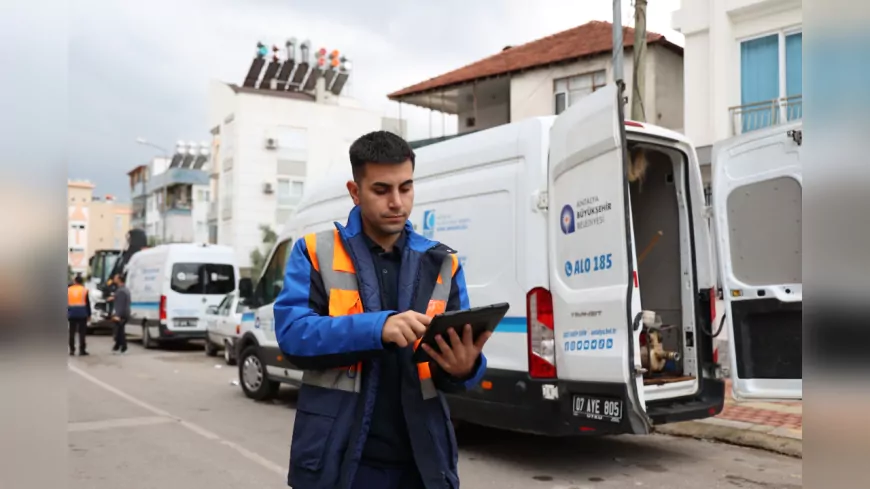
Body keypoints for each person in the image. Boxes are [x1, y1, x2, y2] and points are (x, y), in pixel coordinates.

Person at [274, 131, 491, 489]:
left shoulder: (442, 263)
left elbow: (460, 359)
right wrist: (379, 328)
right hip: (341, 461)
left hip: (422, 464)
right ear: (355, 191)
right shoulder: (313, 252)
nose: (397, 202)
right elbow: (293, 336)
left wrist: (465, 368)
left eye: (406, 188)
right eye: (381, 190)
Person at [67, 274, 91, 356]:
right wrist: (89, 314)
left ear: (75, 281)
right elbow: (88, 303)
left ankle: (72, 350)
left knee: (71, 332)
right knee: (82, 333)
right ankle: (82, 350)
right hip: (82, 313)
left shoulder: (68, 290)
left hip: (71, 313)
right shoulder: (84, 290)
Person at [110, 273, 131, 354]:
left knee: (120, 331)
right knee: (119, 330)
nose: (114, 279)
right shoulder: (124, 289)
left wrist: (117, 315)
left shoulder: (121, 291)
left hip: (121, 314)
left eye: (115, 277)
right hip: (124, 313)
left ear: (119, 279)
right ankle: (117, 346)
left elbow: (121, 304)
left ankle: (123, 347)